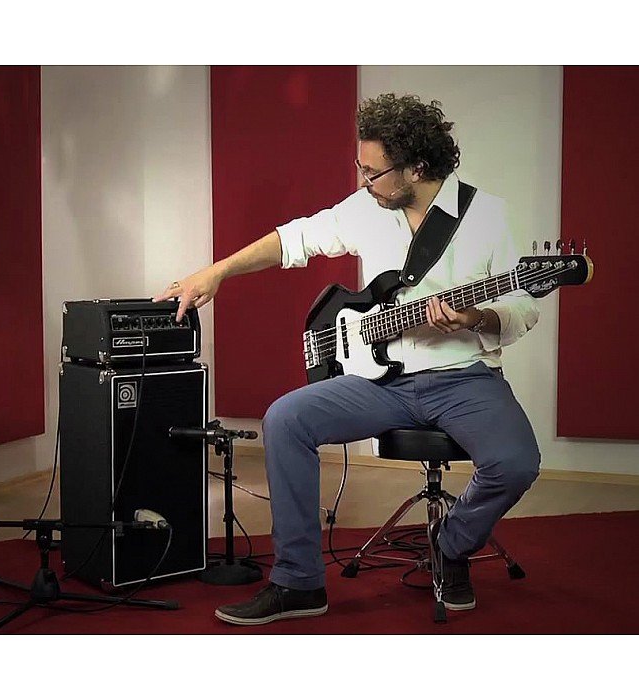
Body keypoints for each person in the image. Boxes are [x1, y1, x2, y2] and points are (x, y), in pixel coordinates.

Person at [153, 93, 541, 626]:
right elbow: (295, 238)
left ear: (417, 168)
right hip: (381, 382)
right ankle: (298, 583)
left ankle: (451, 544)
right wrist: (216, 272)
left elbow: (524, 308)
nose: (364, 182)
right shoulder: (368, 209)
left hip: (463, 379)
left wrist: (476, 318)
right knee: (285, 419)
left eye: (373, 172)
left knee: (516, 463)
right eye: (361, 168)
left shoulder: (488, 215)